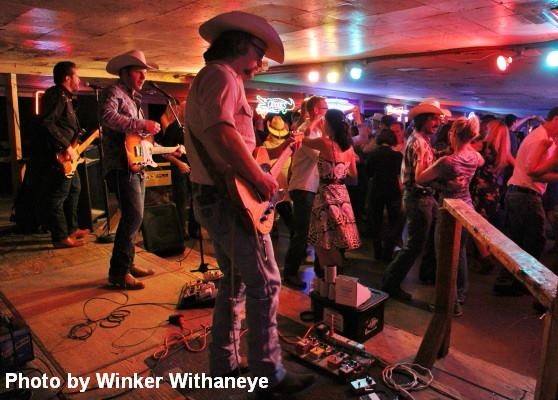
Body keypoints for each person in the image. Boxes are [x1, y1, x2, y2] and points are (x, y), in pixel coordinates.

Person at [184, 11, 314, 396]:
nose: (259, 63)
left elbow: (227, 140)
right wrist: (259, 178)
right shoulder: (223, 76)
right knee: (267, 283)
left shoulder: (211, 78)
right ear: (242, 46)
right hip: (228, 202)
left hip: (215, 197)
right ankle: (268, 374)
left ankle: (223, 365)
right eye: (259, 54)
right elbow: (223, 133)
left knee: (235, 284)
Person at [101, 50, 163, 290]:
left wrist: (147, 133)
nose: (144, 77)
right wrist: (142, 123)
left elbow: (133, 135)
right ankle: (118, 273)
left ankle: (128, 264)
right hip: (121, 165)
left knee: (135, 218)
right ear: (125, 72)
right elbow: (107, 116)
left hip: (135, 163)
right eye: (139, 72)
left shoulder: (133, 98)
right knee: (132, 217)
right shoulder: (113, 92)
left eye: (144, 72)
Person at [416, 116, 484, 316]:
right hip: (467, 207)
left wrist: (439, 182)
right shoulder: (475, 156)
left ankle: (449, 304)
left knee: (444, 256)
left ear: (453, 134)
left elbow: (420, 178)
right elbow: (480, 161)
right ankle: (460, 294)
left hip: (449, 211)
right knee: (460, 252)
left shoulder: (447, 162)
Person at [381, 100, 444, 300]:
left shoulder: (420, 140)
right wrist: (441, 171)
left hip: (421, 197)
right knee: (414, 245)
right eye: (432, 119)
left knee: (420, 243)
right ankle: (390, 283)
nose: (437, 123)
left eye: (438, 119)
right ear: (422, 120)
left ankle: (398, 280)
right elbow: (420, 177)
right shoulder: (419, 142)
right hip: (419, 197)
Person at [495, 107, 558, 295]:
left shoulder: (542, 137)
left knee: (520, 241)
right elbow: (533, 172)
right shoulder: (540, 139)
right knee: (534, 241)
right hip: (525, 195)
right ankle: (518, 284)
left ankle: (508, 281)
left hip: (521, 193)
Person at [41, 61, 90, 248]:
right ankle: (60, 237)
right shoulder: (57, 95)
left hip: (70, 156)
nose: (79, 80)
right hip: (61, 157)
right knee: (58, 196)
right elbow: (47, 122)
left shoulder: (66, 98)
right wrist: (66, 146)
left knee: (75, 189)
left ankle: (71, 229)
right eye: (77, 76)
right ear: (68, 78)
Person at [304, 109, 361, 268]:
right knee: (335, 241)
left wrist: (315, 121)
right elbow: (354, 175)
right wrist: (339, 170)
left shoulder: (324, 143)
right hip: (342, 195)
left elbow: (304, 138)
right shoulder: (349, 148)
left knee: (323, 242)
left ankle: (330, 278)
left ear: (329, 124)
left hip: (326, 194)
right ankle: (336, 277)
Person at [284, 95, 328, 289]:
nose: (327, 111)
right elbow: (320, 156)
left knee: (312, 230)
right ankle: (290, 273)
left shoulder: (316, 130)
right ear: (316, 110)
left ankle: (318, 269)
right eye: (324, 108)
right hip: (303, 186)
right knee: (301, 233)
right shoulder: (305, 130)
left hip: (310, 186)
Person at [366, 128, 403, 262]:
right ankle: (388, 252)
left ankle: (377, 252)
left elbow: (368, 173)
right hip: (393, 190)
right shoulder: (398, 156)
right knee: (393, 221)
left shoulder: (373, 154)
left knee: (376, 221)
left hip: (376, 189)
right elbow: (400, 175)